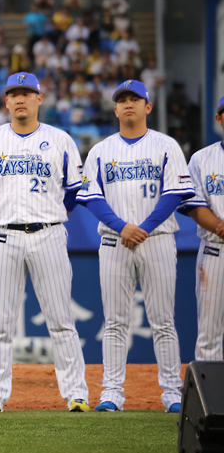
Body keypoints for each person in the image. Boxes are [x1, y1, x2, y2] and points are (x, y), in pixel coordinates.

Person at [0, 72, 90, 413]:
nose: (20, 99)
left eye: (27, 93)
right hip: (3, 234)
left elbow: (75, 189)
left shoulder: (60, 139)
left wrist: (54, 213)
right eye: (13, 94)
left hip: (48, 232)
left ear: (39, 98)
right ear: (6, 101)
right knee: (0, 323)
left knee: (61, 319)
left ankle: (76, 393)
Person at [76, 80, 195, 412]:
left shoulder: (166, 145)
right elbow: (90, 197)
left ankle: (172, 392)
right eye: (122, 100)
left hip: (156, 239)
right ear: (115, 109)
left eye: (135, 99)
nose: (128, 104)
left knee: (163, 320)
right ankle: (112, 392)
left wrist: (142, 228)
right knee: (114, 321)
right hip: (115, 241)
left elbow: (174, 193)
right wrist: (122, 227)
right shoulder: (100, 150)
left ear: (148, 106)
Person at [177, 95, 224, 361]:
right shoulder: (201, 159)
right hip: (216, 251)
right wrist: (219, 226)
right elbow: (194, 206)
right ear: (218, 119)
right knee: (209, 333)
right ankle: (213, 401)